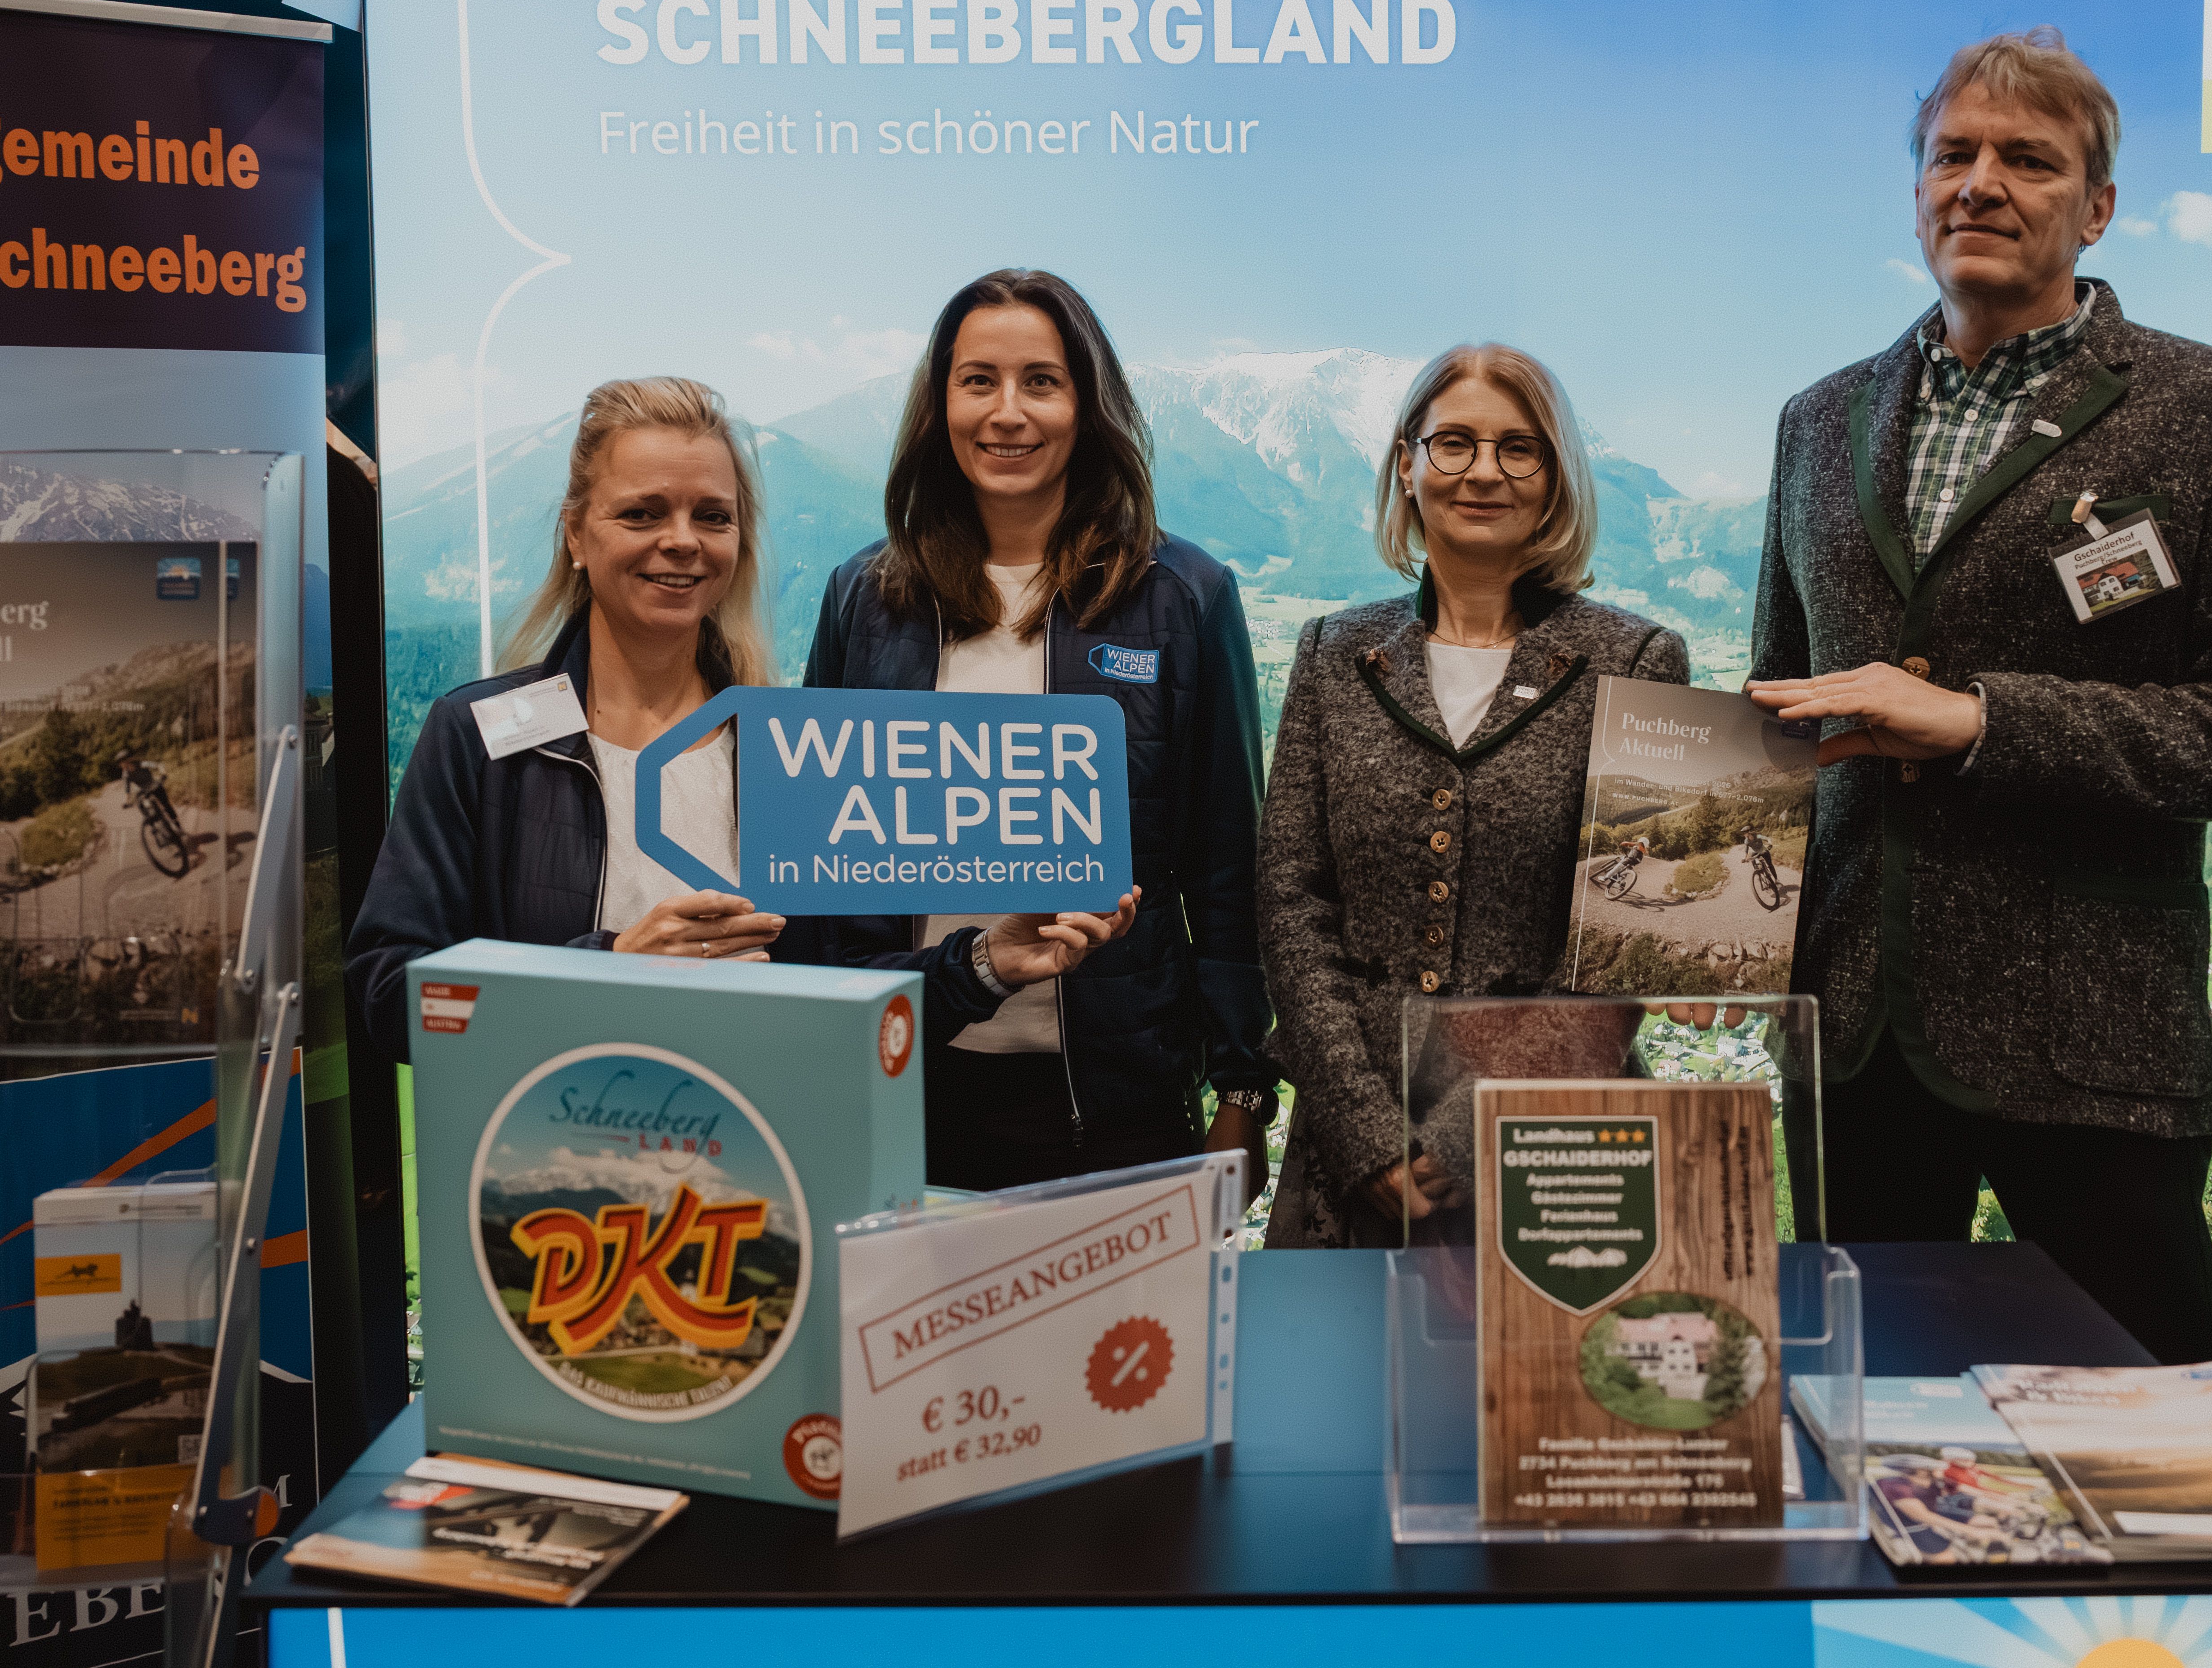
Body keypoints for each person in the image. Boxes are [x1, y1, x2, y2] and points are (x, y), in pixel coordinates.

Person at [1745, 28, 2212, 1361]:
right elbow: (1780, 721)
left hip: (2094, 1050)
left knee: (2152, 1449)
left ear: (2098, 206)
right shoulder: (1814, 421)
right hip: (1853, 1047)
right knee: (1863, 1417)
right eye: (1952, 153)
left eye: (2028, 159)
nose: (1981, 182)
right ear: (1915, 191)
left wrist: (1978, 722)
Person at [349, 376, 1131, 1079]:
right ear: (578, 536)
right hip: (551, 1192)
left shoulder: (788, 749)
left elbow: (836, 1000)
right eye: (642, 513)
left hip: (757, 1181)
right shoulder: (481, 739)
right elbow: (390, 994)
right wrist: (614, 968)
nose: (682, 540)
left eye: (712, 517)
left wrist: (987, 963)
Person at [803, 272, 1271, 1191]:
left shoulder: (1183, 597)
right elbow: (823, 862)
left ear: (1087, 404)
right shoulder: (865, 599)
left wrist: (1244, 1091)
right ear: (939, 405)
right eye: (978, 380)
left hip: (1116, 1096)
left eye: (1041, 382)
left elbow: (1227, 867)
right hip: (904, 1078)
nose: (1008, 413)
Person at [1260, 345, 1686, 1246]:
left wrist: (1462, 1135)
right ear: (1407, 465)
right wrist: (1366, 1134)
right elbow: (1292, 904)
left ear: (1556, 475)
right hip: (1354, 1136)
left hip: (1560, 1138)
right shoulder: (1331, 654)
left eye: (1517, 448)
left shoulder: (1641, 661)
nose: (1483, 472)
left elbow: (1635, 950)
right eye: (1452, 443)